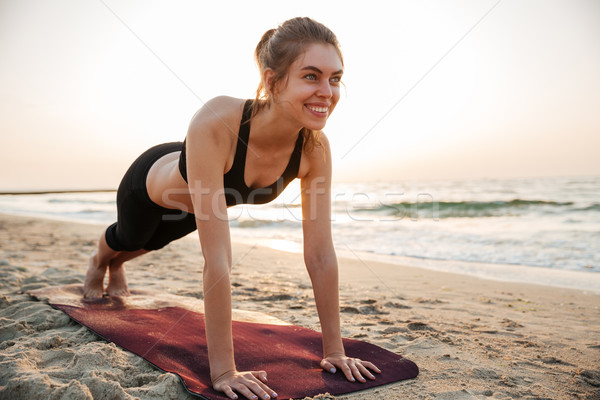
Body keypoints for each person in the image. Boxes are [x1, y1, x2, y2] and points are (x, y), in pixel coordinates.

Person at [83, 17, 381, 400]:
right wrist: (224, 370)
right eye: (311, 76)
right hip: (151, 185)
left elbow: (321, 254)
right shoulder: (218, 121)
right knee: (131, 235)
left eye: (335, 79)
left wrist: (334, 351)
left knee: (153, 244)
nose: (327, 91)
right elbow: (219, 260)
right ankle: (99, 261)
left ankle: (119, 264)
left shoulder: (314, 148)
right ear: (273, 81)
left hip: (202, 205)